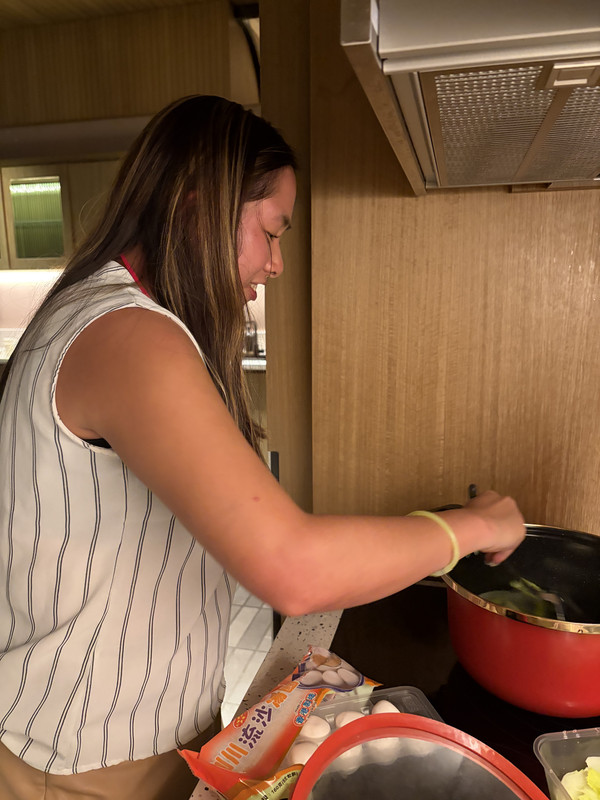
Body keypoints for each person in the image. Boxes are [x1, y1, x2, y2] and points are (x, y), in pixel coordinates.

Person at [0, 94, 525, 799]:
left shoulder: (117, 320)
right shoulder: (128, 336)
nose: (275, 263)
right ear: (197, 208)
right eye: (271, 230)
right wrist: (473, 526)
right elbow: (292, 567)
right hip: (81, 754)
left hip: (127, 729)